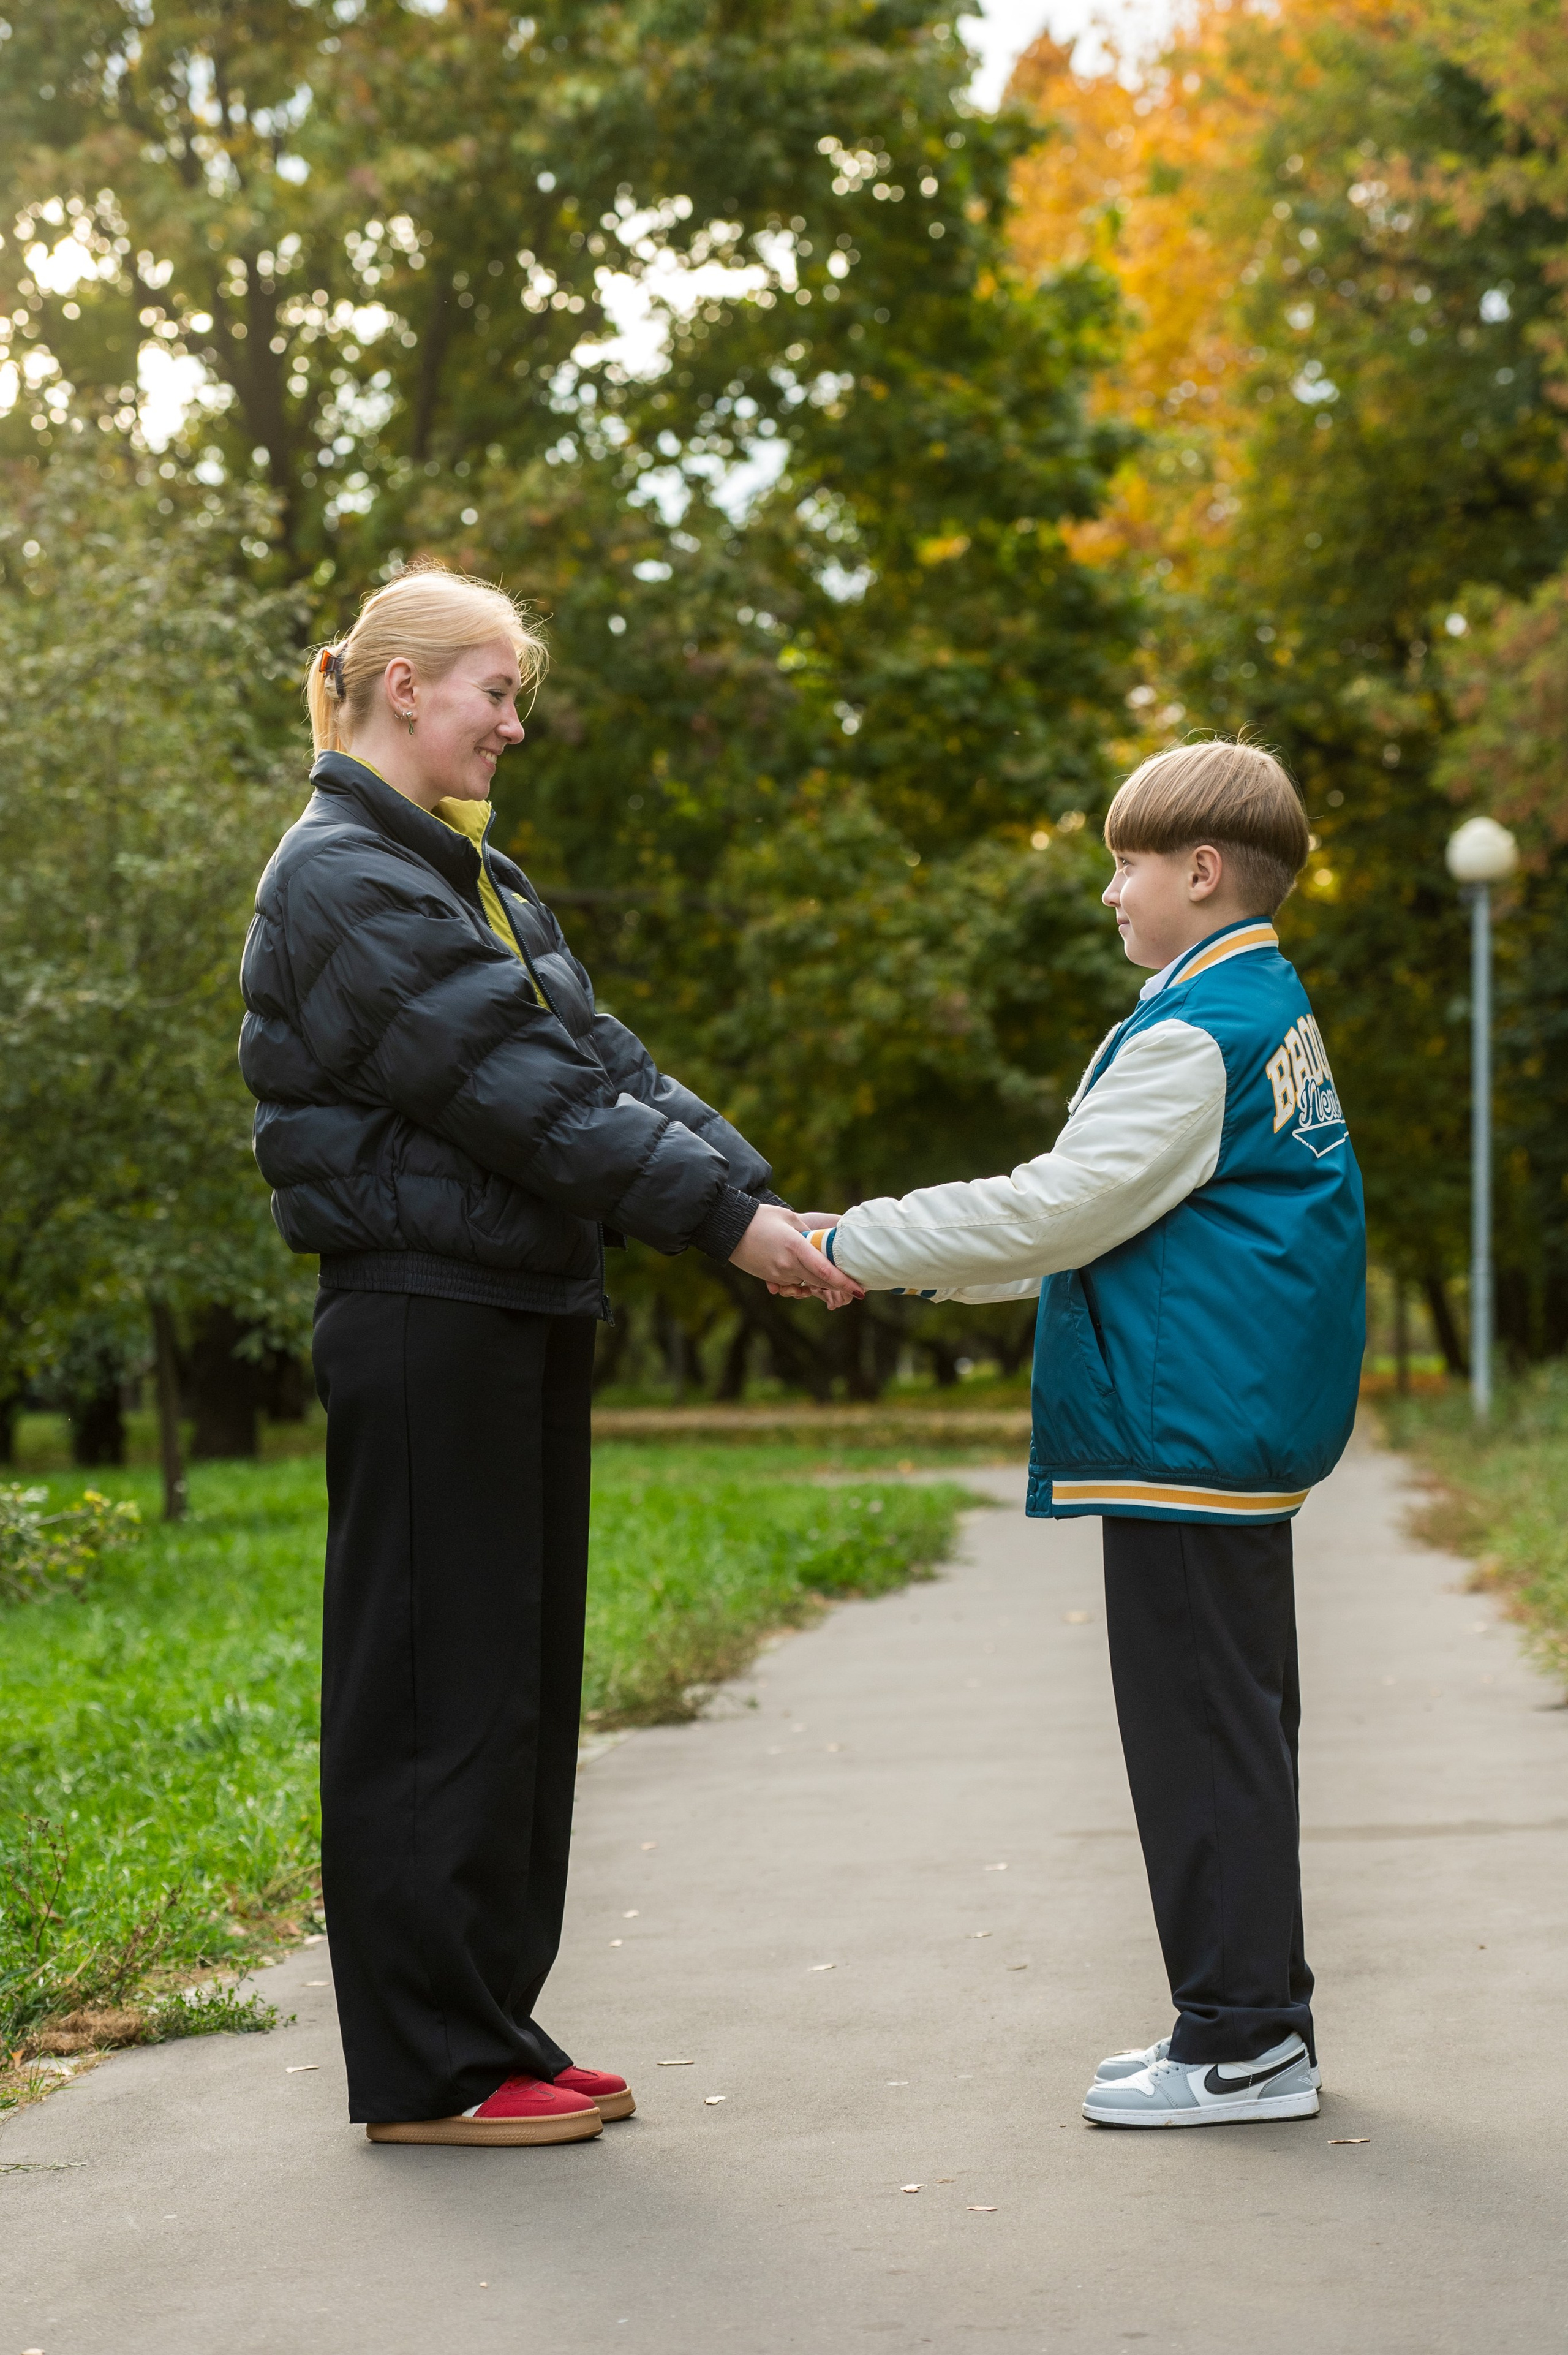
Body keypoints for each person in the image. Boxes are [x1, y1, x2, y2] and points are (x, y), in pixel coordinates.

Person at [239, 562, 858, 2148]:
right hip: (419, 1309)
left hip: (514, 1305)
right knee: (432, 1688)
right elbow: (524, 1094)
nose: (518, 721)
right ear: (402, 690)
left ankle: (494, 2020)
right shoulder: (343, 880)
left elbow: (609, 1066)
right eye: (496, 691)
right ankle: (430, 2066)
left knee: (511, 1685)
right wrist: (726, 1224)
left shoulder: (475, 877)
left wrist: (764, 1204)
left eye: (516, 693)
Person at [798, 739, 1365, 2128]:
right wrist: (886, 1258)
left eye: (1123, 864)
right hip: (1220, 1433)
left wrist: (845, 1244)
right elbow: (1087, 1223)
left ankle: (1238, 2040)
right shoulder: (1254, 1005)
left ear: (1198, 869)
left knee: (1198, 1739)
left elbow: (1049, 1208)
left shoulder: (1192, 1034)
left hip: (1184, 1437)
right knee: (1230, 1729)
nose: (1108, 891)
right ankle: (1245, 2020)